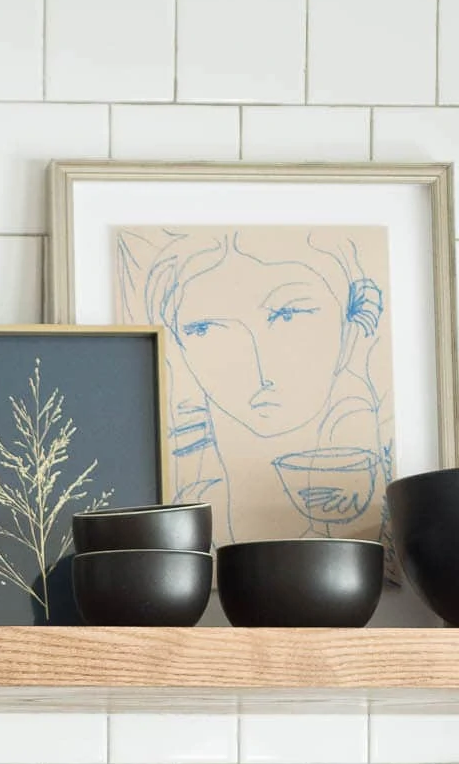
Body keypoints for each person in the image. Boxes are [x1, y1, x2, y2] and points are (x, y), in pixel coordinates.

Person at [117, 225, 391, 546]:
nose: (259, 370)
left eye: (288, 315)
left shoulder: (383, 508)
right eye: (205, 329)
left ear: (349, 329)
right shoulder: (175, 512)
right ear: (177, 345)